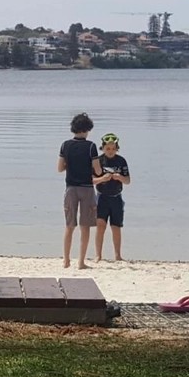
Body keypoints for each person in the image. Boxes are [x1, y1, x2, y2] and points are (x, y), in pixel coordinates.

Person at [57, 113, 102, 269]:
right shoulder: (91, 146)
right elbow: (97, 170)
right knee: (85, 226)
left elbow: (60, 168)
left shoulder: (65, 145)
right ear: (87, 129)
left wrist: (71, 166)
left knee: (69, 226)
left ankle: (66, 260)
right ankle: (81, 262)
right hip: (87, 188)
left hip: (70, 188)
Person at [92, 133, 130, 262]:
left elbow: (128, 181)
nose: (110, 151)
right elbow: (91, 180)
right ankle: (98, 255)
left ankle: (118, 255)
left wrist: (120, 178)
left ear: (117, 149)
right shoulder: (98, 161)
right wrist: (102, 179)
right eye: (108, 148)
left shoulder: (121, 161)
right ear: (103, 148)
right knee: (100, 226)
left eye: (113, 148)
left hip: (116, 198)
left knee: (116, 227)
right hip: (102, 197)